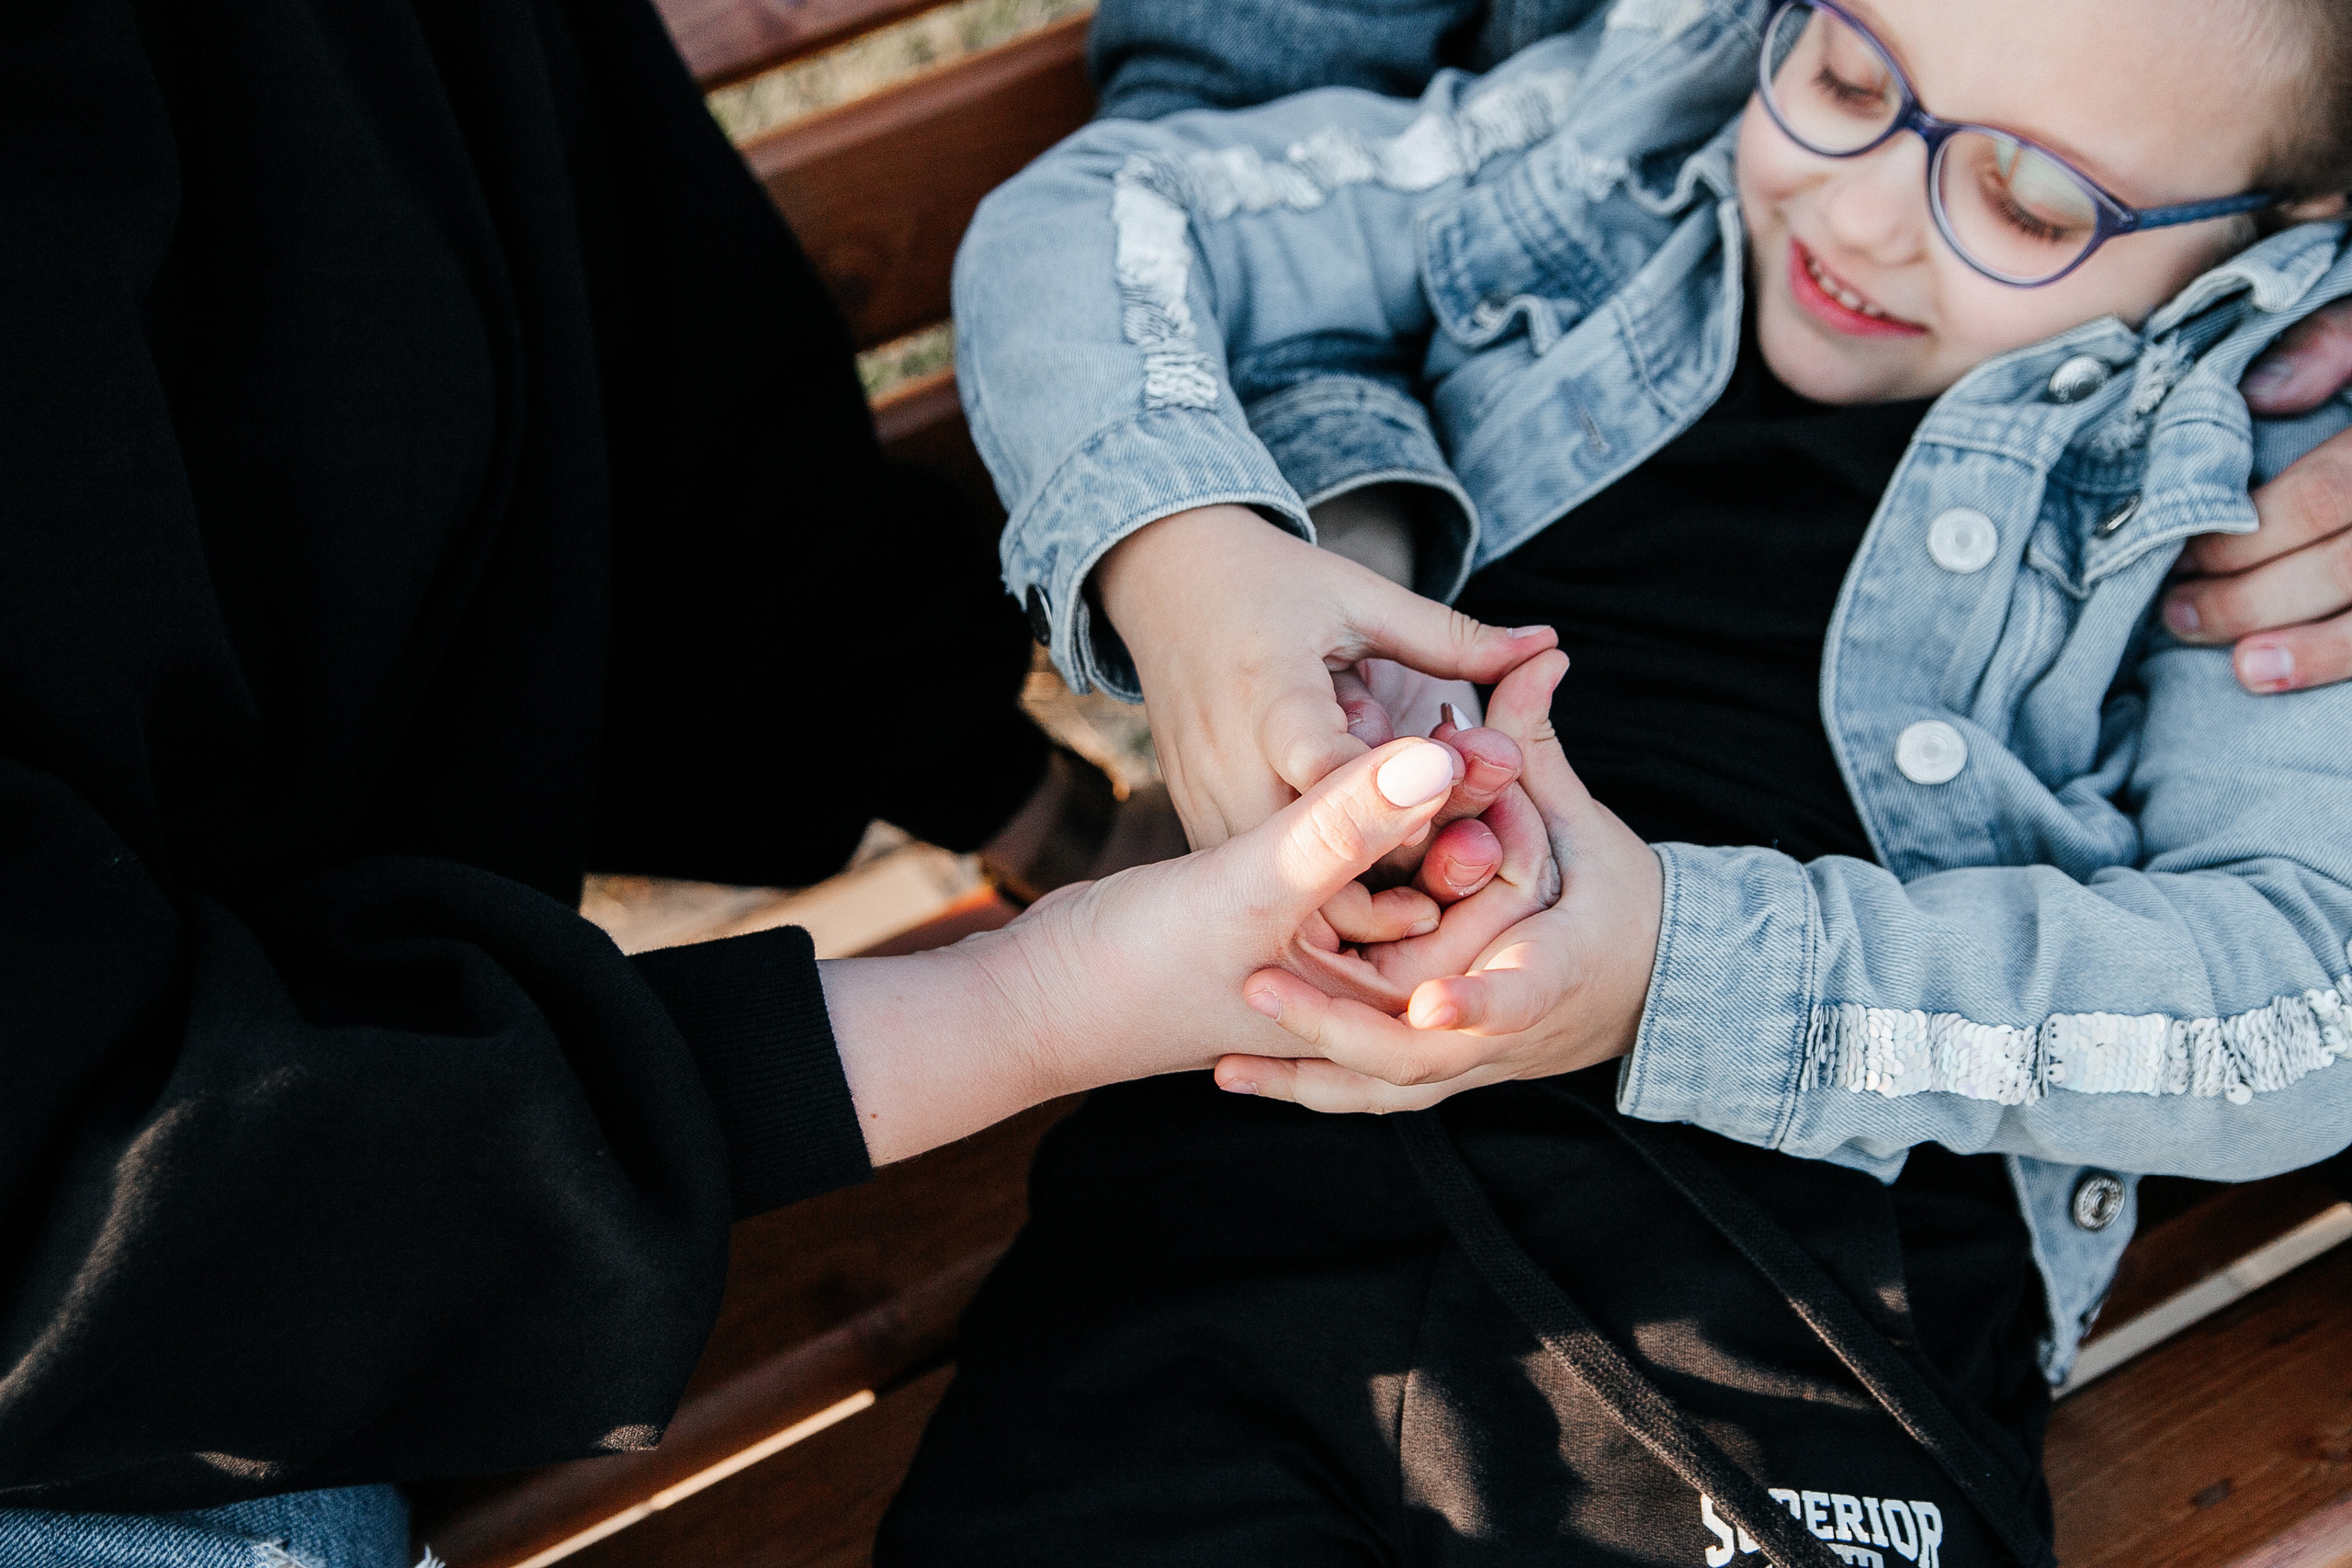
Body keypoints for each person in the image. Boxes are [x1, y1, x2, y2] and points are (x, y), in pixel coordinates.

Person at [0, 1, 1542, 1564]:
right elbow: (75, 1196)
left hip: (304, 1193)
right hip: (120, 1368)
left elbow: (677, 385)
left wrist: (1057, 820)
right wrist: (1028, 1001)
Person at [879, 0, 2352, 1559]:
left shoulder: (2268, 453)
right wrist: (1190, 568)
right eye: (1849, 77)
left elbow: (2306, 1004)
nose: (1856, 209)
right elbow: (1096, 218)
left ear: (2294, 220)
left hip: (1801, 1292)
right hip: (1260, 1142)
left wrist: (1680, 972)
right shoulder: (1633, 139)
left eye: (2030, 203)